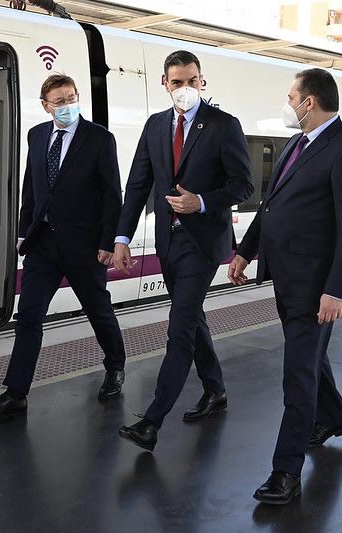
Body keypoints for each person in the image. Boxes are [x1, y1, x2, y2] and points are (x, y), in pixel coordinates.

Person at [229, 68, 342, 505]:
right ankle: (333, 417)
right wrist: (245, 251)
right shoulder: (298, 143)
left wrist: (337, 289)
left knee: (297, 371)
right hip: (286, 277)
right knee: (310, 358)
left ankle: (285, 471)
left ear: (308, 102)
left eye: (291, 95)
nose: (287, 102)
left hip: (315, 286)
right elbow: (271, 206)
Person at [114, 51, 253, 450]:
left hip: (203, 244)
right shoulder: (155, 126)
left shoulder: (224, 126)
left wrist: (203, 201)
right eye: (177, 82)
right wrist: (122, 239)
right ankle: (216, 390)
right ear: (165, 84)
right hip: (167, 242)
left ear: (201, 81)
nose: (185, 89)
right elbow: (137, 186)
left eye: (192, 81)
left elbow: (243, 185)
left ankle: (152, 421)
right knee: (193, 319)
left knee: (179, 327)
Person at [0, 74, 127, 420]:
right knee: (28, 316)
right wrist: (22, 230)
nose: (68, 105)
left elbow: (111, 194)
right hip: (42, 243)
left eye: (71, 98)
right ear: (45, 106)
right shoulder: (37, 135)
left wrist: (108, 242)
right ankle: (16, 392)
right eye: (59, 101)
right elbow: (32, 186)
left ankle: (115, 365)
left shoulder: (100, 139)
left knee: (97, 310)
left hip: (85, 246)